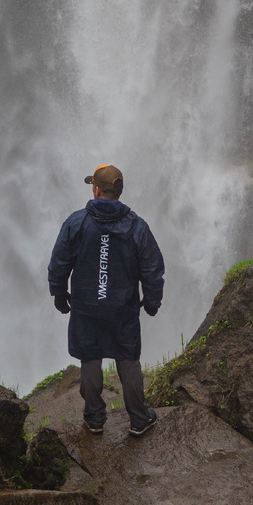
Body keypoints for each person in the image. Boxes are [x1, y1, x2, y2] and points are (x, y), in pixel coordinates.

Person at [47, 164, 164, 437]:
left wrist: (59, 293)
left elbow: (59, 264)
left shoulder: (76, 223)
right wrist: (152, 301)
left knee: (90, 359)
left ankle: (95, 418)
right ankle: (138, 419)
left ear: (96, 189)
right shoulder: (137, 226)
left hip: (86, 307)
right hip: (122, 308)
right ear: (119, 192)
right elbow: (152, 269)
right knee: (128, 360)